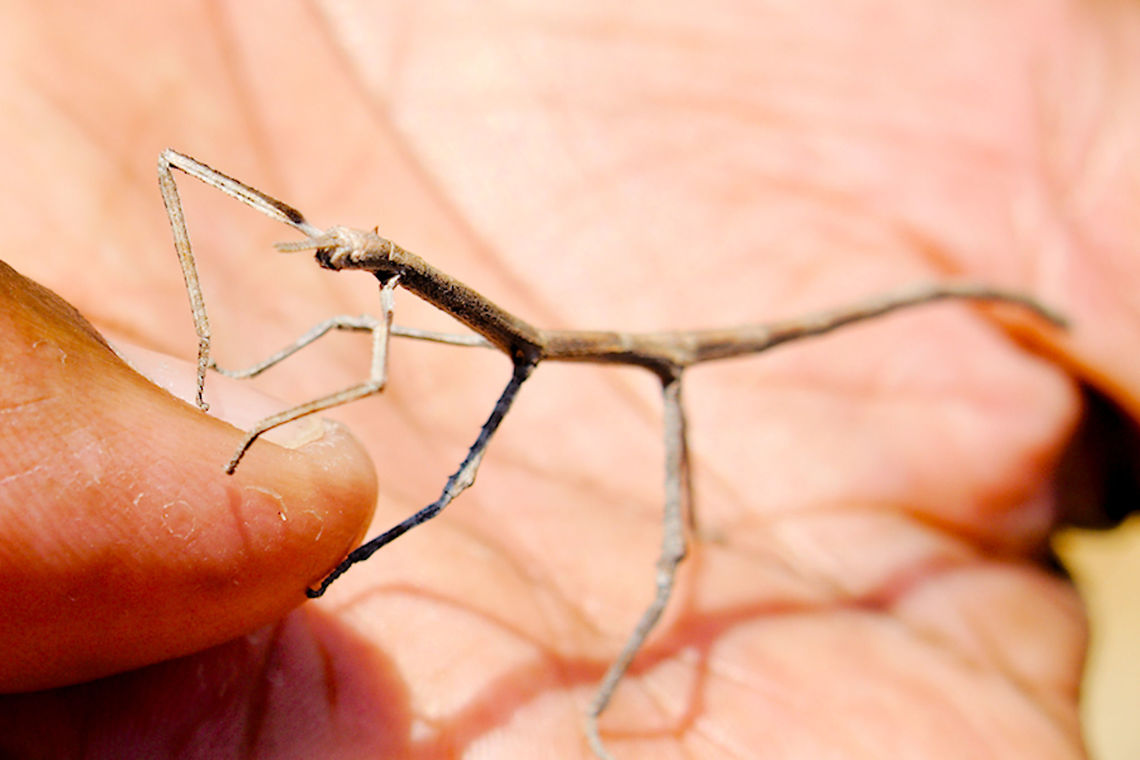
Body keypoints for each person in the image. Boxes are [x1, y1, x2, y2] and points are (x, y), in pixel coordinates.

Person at [3, 1, 1131, 756]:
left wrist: (270, 432)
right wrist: (232, 368)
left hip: (657, 357)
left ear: (389, 266)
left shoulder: (409, 318)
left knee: (500, 500)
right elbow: (185, 175)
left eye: (363, 257)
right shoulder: (375, 280)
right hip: (535, 341)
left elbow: (366, 387)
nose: (347, 261)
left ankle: (615, 679)